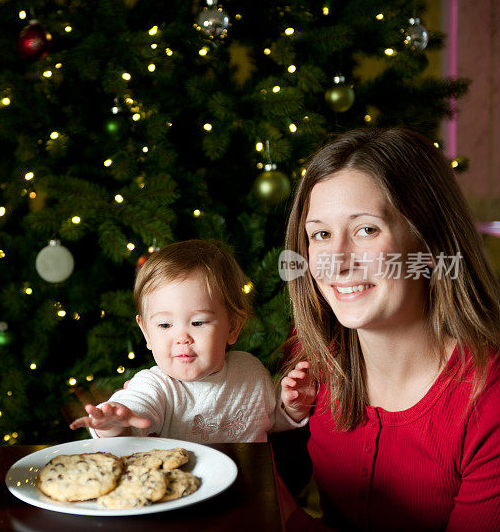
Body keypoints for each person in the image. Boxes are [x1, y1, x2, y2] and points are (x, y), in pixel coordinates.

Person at [278, 127, 500, 531]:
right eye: (321, 234)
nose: (336, 261)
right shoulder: (313, 359)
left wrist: (289, 520)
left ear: (429, 242)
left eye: (366, 229)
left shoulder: (489, 400)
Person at [70, 239, 302, 442]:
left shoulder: (250, 371)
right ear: (146, 333)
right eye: (164, 325)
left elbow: (270, 421)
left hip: (247, 486)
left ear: (233, 326)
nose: (182, 338)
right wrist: (115, 422)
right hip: (182, 490)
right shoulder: (156, 386)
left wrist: (292, 407)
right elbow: (135, 412)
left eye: (198, 323)